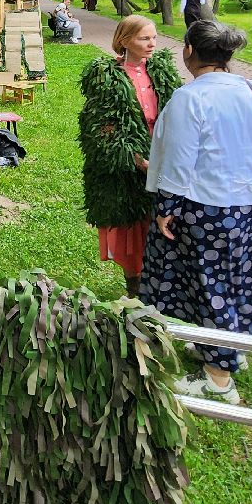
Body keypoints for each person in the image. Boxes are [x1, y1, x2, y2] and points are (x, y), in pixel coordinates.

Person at [143, 19, 252, 405]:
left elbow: (179, 161)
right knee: (239, 275)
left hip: (208, 207)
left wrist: (166, 208)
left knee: (210, 283)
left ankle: (219, 379)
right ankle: (229, 348)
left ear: (189, 51)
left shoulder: (191, 98)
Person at [77, 15, 181, 298]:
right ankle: (134, 287)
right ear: (124, 41)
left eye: (154, 38)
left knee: (158, 223)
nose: (152, 44)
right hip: (129, 169)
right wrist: (136, 160)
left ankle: (158, 284)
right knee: (131, 228)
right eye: (144, 38)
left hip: (162, 160)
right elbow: (100, 128)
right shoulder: (108, 78)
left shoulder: (161, 73)